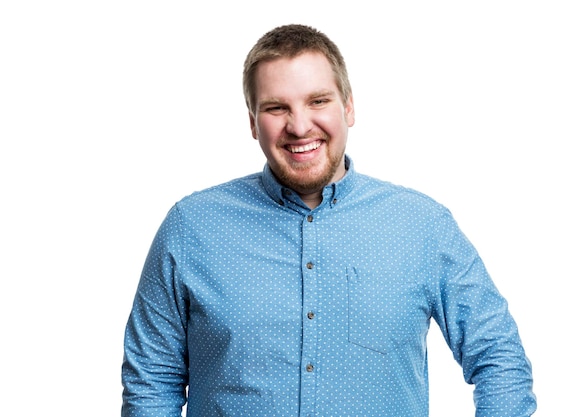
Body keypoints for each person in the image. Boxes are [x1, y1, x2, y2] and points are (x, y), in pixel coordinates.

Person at [121, 24, 537, 417]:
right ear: (252, 122)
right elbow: (151, 381)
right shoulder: (191, 227)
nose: (300, 126)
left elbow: (498, 355)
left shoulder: (423, 226)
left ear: (349, 107)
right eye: (276, 107)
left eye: (318, 101)